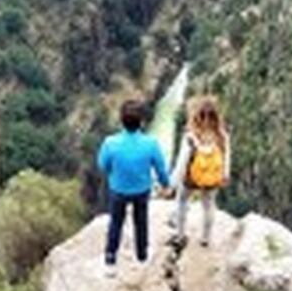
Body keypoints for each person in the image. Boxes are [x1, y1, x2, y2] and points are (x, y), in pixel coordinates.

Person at [97, 97, 171, 277]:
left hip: (118, 190)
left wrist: (115, 172)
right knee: (141, 222)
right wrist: (166, 185)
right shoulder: (151, 144)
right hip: (141, 190)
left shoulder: (110, 143)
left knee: (116, 223)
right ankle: (142, 256)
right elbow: (160, 168)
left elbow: (103, 165)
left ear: (121, 120)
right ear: (142, 122)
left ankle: (110, 259)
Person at [171, 94, 230, 248]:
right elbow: (226, 156)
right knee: (209, 205)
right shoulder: (221, 135)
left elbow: (182, 160)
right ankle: (205, 238)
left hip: (191, 176)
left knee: (182, 201)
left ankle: (180, 234)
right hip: (211, 177)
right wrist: (225, 174)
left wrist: (175, 181)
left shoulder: (191, 135)